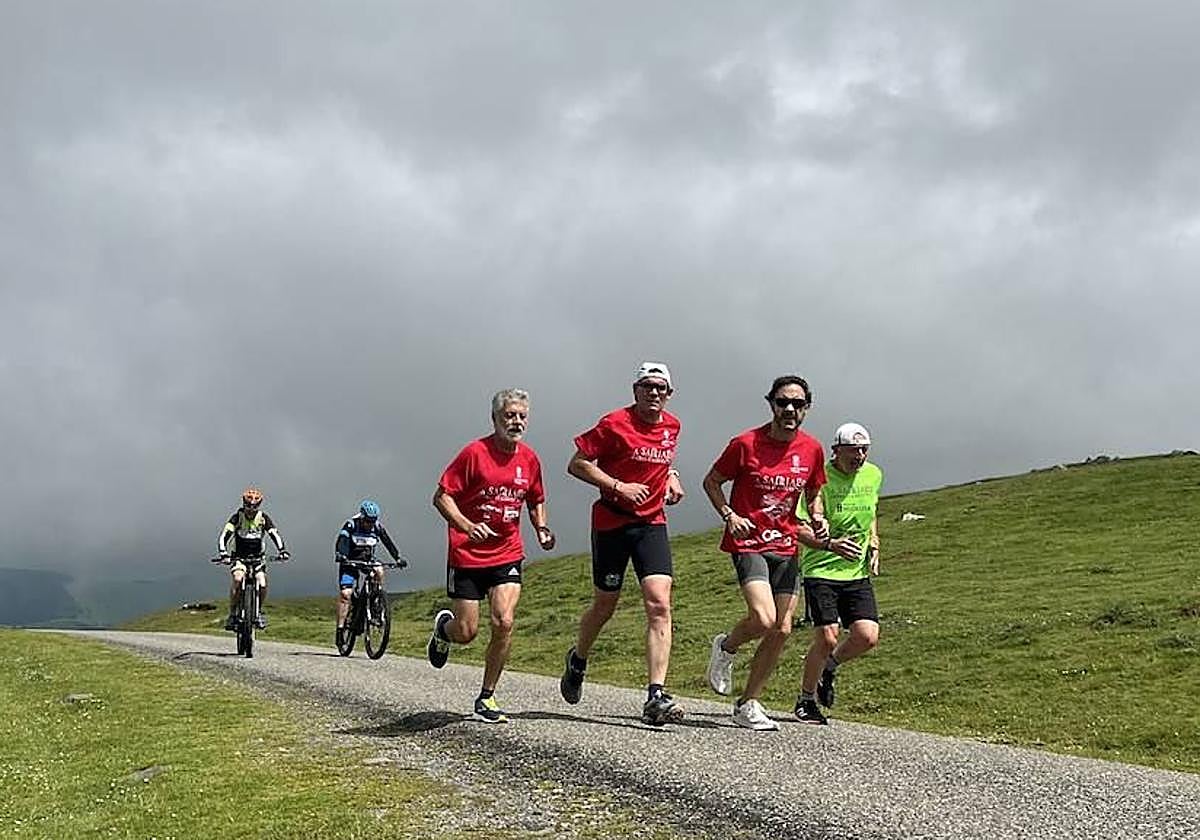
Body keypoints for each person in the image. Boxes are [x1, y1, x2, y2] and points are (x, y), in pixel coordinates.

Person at [559, 361, 687, 726]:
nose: (654, 393)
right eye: (647, 386)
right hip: (612, 522)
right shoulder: (614, 424)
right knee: (605, 605)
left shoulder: (672, 426)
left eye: (661, 388)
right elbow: (578, 463)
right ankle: (578, 658)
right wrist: (618, 486)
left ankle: (656, 695)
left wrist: (671, 478)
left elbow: (662, 459)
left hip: (651, 523)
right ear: (635, 390)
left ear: (669, 394)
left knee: (660, 603)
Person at [701, 376, 826, 730]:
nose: (789, 410)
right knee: (764, 618)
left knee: (783, 629)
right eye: (782, 402)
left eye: (797, 404)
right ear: (770, 404)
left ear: (806, 409)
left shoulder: (812, 449)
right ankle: (726, 647)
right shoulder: (745, 444)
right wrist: (729, 515)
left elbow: (815, 489)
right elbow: (711, 481)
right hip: (749, 541)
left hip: (785, 544)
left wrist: (817, 516)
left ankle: (747, 703)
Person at [427, 388, 555, 723]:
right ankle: (444, 630)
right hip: (467, 555)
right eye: (509, 415)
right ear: (495, 418)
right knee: (466, 633)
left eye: (522, 416)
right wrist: (467, 525)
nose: (516, 422)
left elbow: (535, 497)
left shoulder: (529, 459)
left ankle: (487, 696)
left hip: (507, 552)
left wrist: (541, 527)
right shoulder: (474, 453)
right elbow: (441, 497)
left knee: (505, 621)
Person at [793, 422, 883, 725]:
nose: (859, 456)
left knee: (867, 636)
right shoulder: (819, 478)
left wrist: (874, 543)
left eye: (864, 449)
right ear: (836, 450)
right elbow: (798, 528)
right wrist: (830, 545)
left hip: (855, 571)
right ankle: (805, 700)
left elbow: (871, 511)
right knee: (828, 636)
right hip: (821, 568)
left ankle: (829, 668)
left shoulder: (874, 474)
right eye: (853, 450)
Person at [335, 499, 405, 649]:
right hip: (349, 562)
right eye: (367, 521)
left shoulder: (377, 527)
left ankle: (376, 601)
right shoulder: (351, 525)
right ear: (362, 517)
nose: (370, 524)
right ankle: (340, 630)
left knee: (379, 570)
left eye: (373, 521)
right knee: (346, 594)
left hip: (367, 561)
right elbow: (342, 541)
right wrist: (341, 554)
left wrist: (398, 558)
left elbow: (388, 542)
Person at [217, 486, 289, 629]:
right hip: (239, 557)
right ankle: (232, 614)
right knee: (238, 578)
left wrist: (282, 550)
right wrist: (223, 553)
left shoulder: (263, 518)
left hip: (258, 557)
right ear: (243, 504)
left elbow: (274, 534)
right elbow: (224, 536)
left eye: (255, 506)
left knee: (262, 583)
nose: (251, 509)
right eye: (248, 506)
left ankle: (259, 612)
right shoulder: (237, 517)